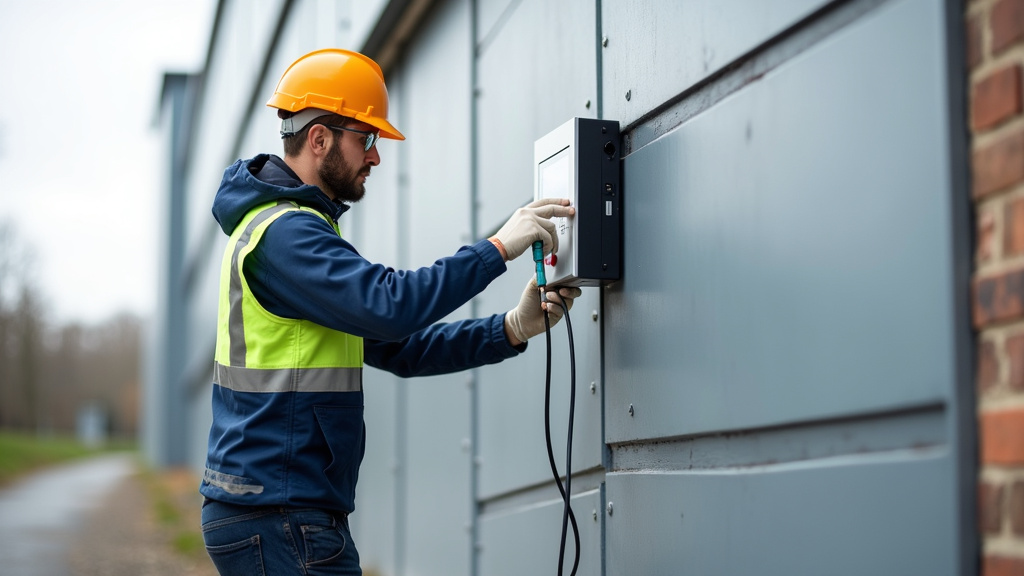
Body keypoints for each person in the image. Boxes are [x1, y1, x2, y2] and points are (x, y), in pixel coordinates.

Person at [199, 48, 580, 575]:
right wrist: (496, 248)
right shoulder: (287, 234)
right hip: (281, 513)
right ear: (319, 138)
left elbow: (398, 347)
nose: (375, 157)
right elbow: (391, 306)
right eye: (367, 139)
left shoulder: (290, 231)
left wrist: (510, 329)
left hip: (275, 508)